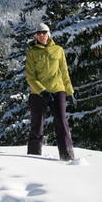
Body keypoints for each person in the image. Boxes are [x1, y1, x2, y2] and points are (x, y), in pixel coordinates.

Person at [25, 22, 76, 161]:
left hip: (57, 90)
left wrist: (69, 92)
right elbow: (30, 76)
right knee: (37, 125)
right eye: (39, 33)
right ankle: (34, 157)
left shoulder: (58, 50)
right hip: (38, 93)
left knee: (62, 122)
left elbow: (64, 73)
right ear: (36, 36)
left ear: (49, 34)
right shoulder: (32, 52)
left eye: (44, 33)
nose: (42, 36)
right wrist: (42, 91)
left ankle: (67, 156)